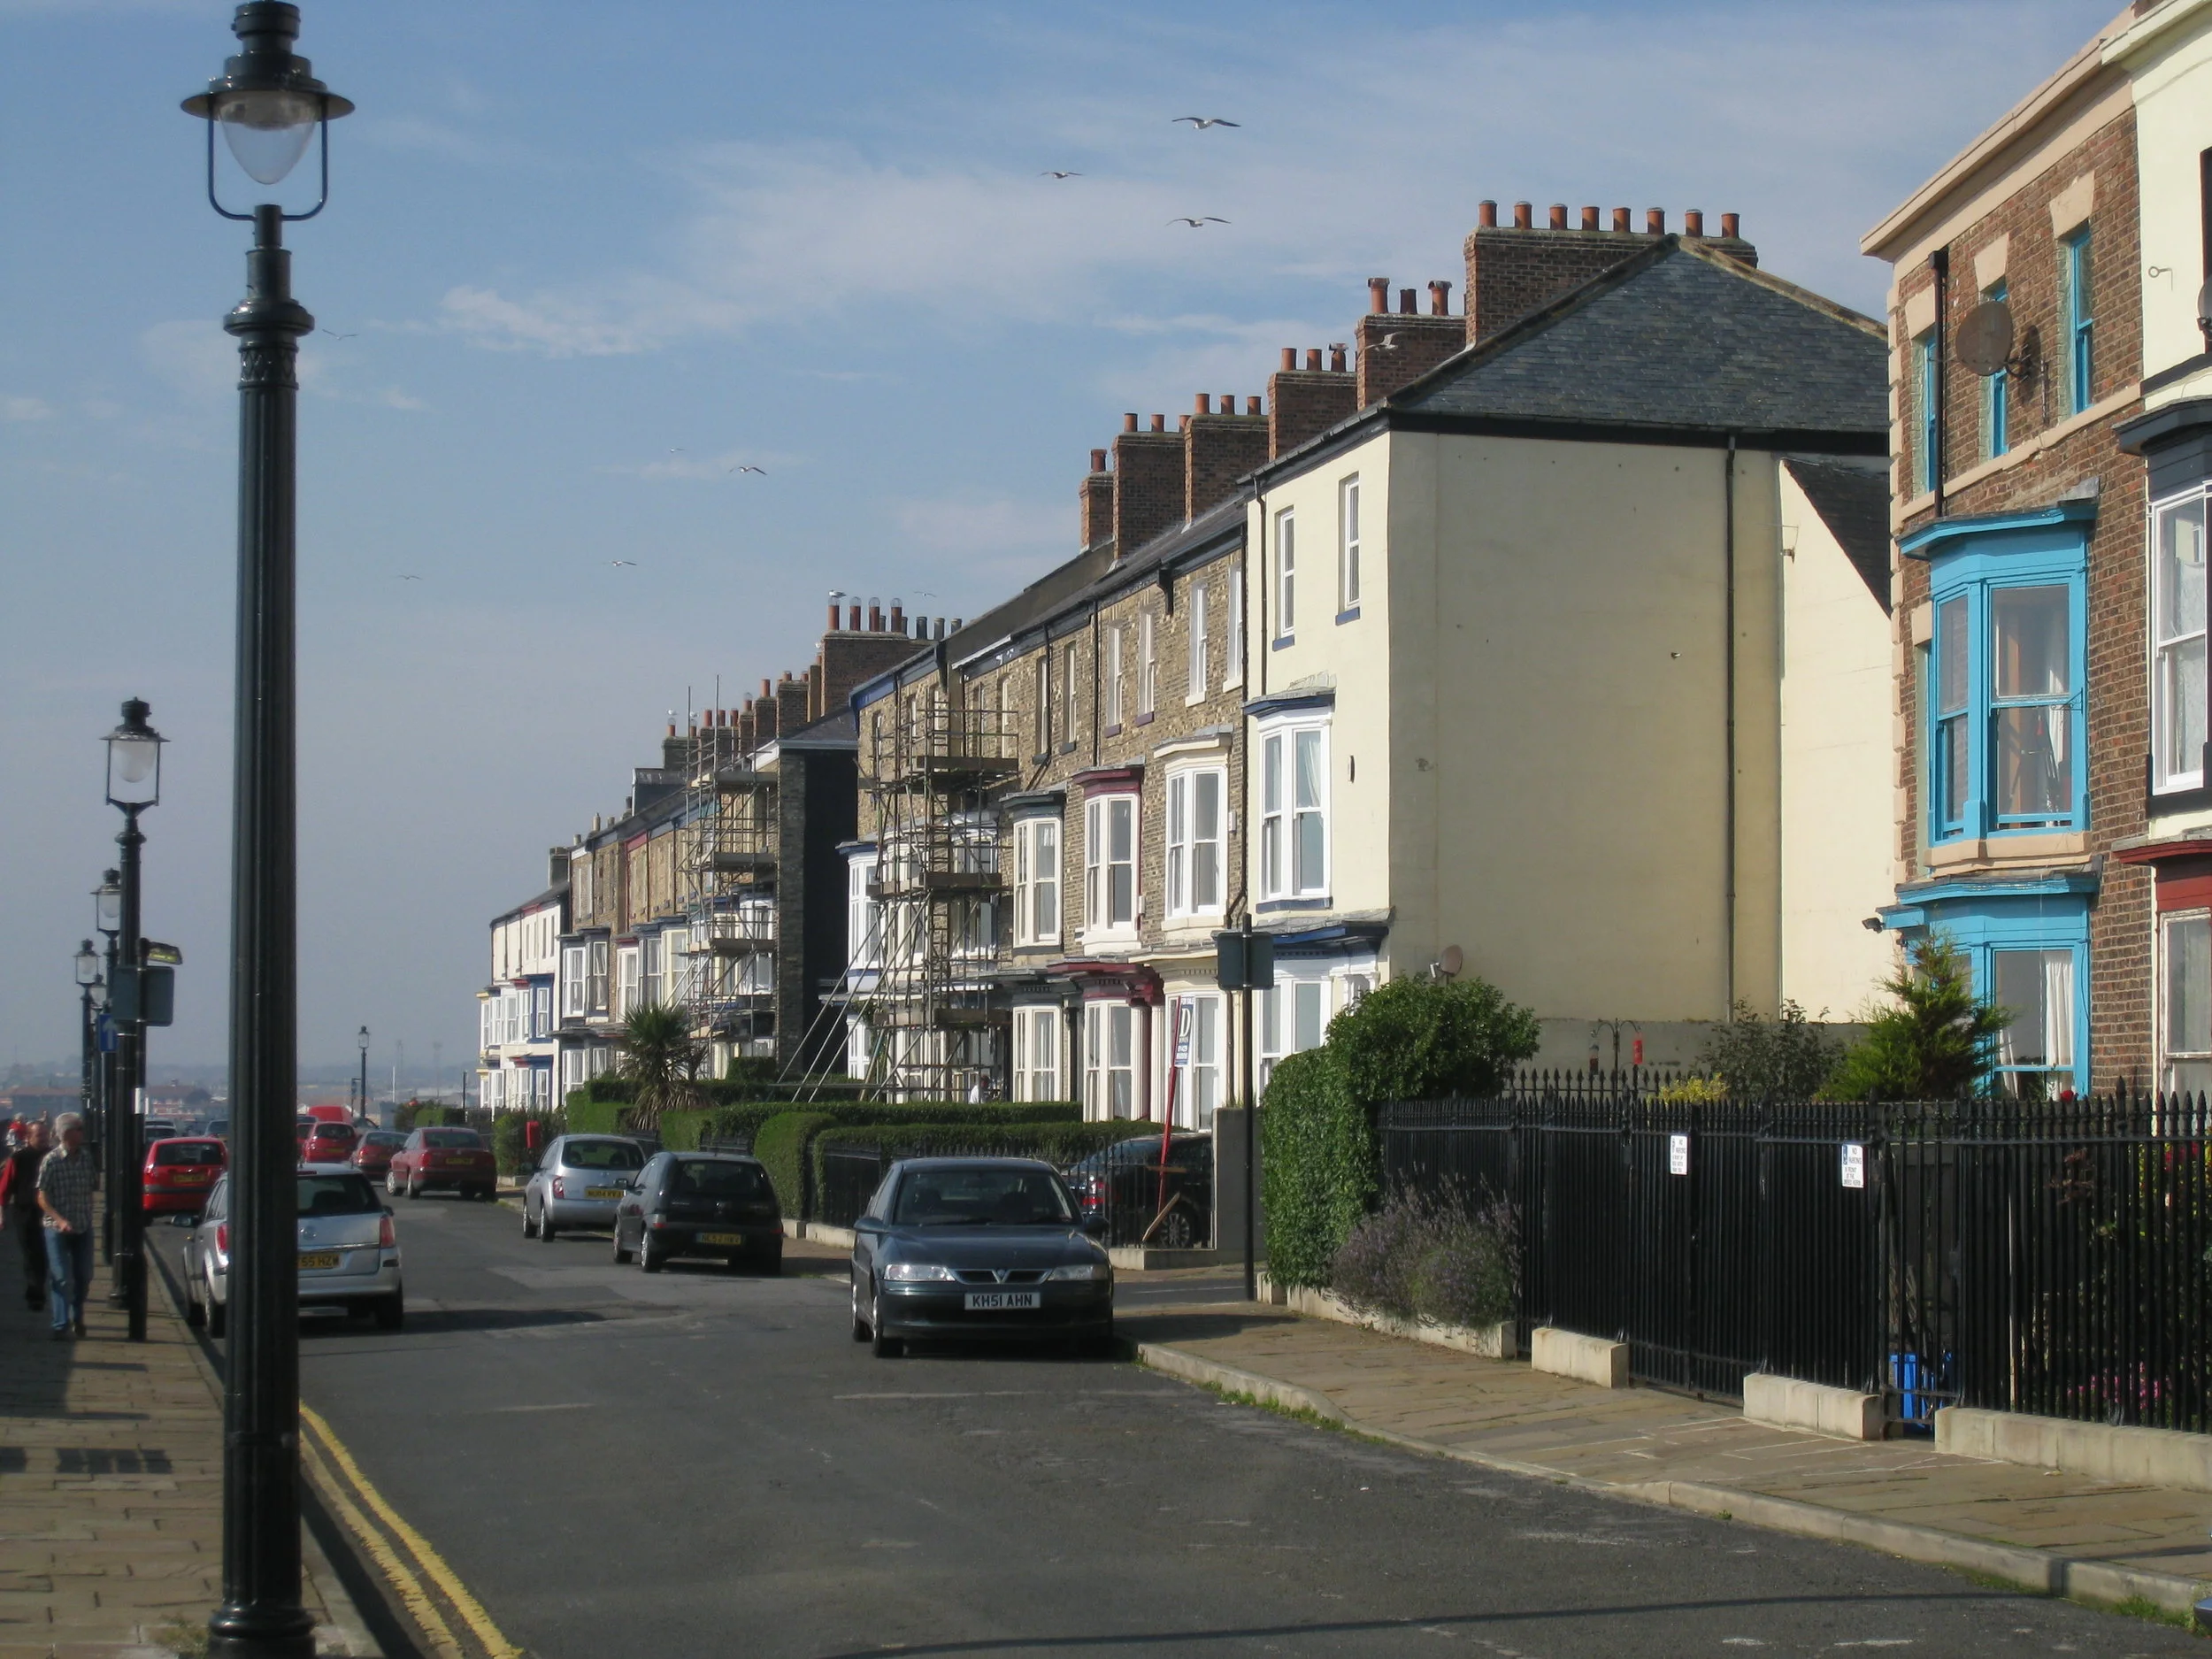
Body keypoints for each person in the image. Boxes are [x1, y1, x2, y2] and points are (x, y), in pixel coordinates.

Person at [36, 1113, 96, 1340]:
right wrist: (60, 1220)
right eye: (79, 1129)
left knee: (84, 1276)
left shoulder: (86, 1158)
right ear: (67, 1133)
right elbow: (42, 1197)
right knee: (61, 1277)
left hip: (82, 1226)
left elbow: (91, 1188)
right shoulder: (51, 1160)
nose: (83, 1133)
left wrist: (88, 1211)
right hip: (56, 1228)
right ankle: (60, 1324)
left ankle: (77, 1316)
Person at [0, 1120, 50, 1310]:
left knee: (44, 1253)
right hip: (25, 1213)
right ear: (28, 1137)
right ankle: (35, 1292)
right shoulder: (19, 1158)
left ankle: (39, 1288)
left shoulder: (52, 1156)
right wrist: (1, 1213)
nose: (44, 1139)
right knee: (30, 1253)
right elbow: (5, 1188)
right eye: (39, 1135)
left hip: (48, 1212)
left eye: (45, 1135)